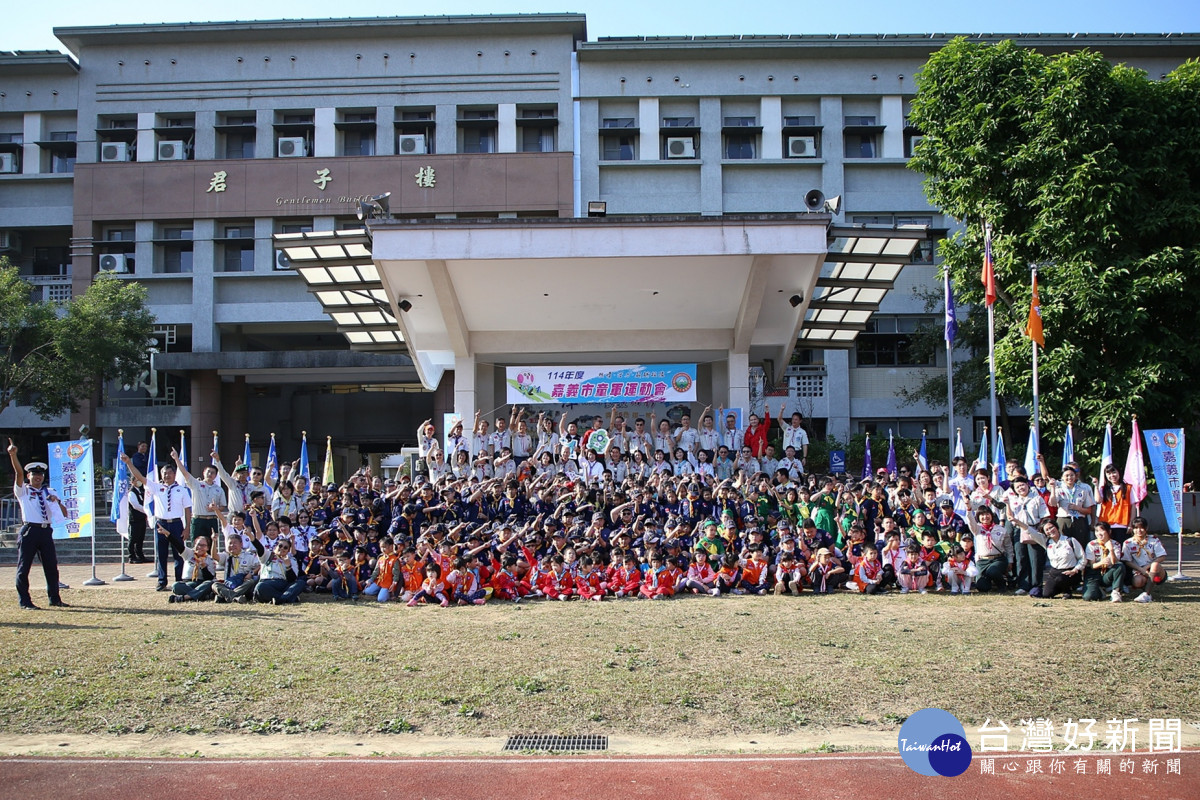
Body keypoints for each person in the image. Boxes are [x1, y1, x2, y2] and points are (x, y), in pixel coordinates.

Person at [7, 439, 69, 610]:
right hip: (30, 530)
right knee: (24, 567)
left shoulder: (49, 491)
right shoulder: (24, 491)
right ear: (29, 476)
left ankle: (54, 598)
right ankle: (25, 601)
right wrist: (13, 455)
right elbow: (18, 474)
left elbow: (64, 513)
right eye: (34, 474)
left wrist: (57, 502)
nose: (38, 477)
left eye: (40, 475)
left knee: (51, 567)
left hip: (45, 531)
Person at [122, 447, 191, 592]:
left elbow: (187, 510)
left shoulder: (182, 490)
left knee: (179, 554)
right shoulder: (156, 487)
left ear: (174, 474)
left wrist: (187, 528)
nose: (167, 475)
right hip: (161, 524)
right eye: (164, 473)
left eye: (170, 473)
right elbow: (140, 477)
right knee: (161, 554)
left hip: (177, 524)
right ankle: (162, 581)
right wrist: (129, 463)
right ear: (161, 474)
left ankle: (179, 581)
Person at [173, 451, 225, 549]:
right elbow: (184, 472)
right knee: (196, 547)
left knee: (211, 546)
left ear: (215, 475)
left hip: (212, 520)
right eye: (208, 472)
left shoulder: (219, 489)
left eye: (213, 472)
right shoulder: (196, 484)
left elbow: (223, 506)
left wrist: (216, 508)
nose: (210, 474)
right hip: (198, 520)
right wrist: (176, 459)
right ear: (204, 473)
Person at [1122, 516, 1167, 603]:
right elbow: (1127, 560)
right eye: (1136, 528)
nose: (1139, 530)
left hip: (1156, 571)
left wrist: (1147, 567)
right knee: (1137, 581)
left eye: (1141, 528)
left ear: (1146, 528)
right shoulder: (1128, 543)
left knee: (1155, 565)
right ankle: (1147, 588)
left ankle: (1146, 594)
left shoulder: (1153, 539)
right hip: (1139, 571)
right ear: (1132, 529)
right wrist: (1141, 570)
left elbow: (1162, 556)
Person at [1083, 522, 1127, 603]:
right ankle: (1099, 591)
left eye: (1102, 530)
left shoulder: (1115, 544)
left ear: (1109, 531)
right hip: (1094, 573)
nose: (1099, 533)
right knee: (1088, 597)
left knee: (1120, 566)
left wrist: (1111, 549)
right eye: (1096, 531)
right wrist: (1101, 562)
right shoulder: (1091, 544)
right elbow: (1092, 566)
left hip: (1108, 572)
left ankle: (1116, 592)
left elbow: (1115, 562)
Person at [1040, 519, 1085, 599]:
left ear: (1056, 527)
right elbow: (1031, 533)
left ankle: (1067, 590)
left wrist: (1075, 569)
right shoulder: (1047, 543)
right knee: (1047, 594)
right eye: (1047, 530)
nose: (1050, 531)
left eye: (1051, 527)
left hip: (1071, 572)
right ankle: (1060, 588)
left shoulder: (1070, 540)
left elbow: (1082, 558)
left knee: (1060, 579)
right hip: (1055, 571)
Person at [168, 536, 218, 603]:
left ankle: (185, 597)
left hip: (202, 584)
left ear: (208, 548)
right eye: (198, 544)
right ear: (194, 545)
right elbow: (177, 545)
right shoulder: (189, 553)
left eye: (203, 545)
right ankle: (202, 596)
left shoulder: (210, 560)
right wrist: (167, 534)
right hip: (188, 583)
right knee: (175, 586)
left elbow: (209, 578)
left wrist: (204, 568)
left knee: (210, 584)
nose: (200, 547)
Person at [213, 534, 260, 603]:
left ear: (241, 544)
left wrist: (251, 573)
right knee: (215, 585)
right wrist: (214, 541)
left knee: (251, 582)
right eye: (230, 543)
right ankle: (235, 597)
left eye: (235, 543)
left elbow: (260, 566)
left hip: (242, 584)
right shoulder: (226, 556)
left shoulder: (249, 556)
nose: (232, 545)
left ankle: (224, 596)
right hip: (229, 584)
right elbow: (214, 556)